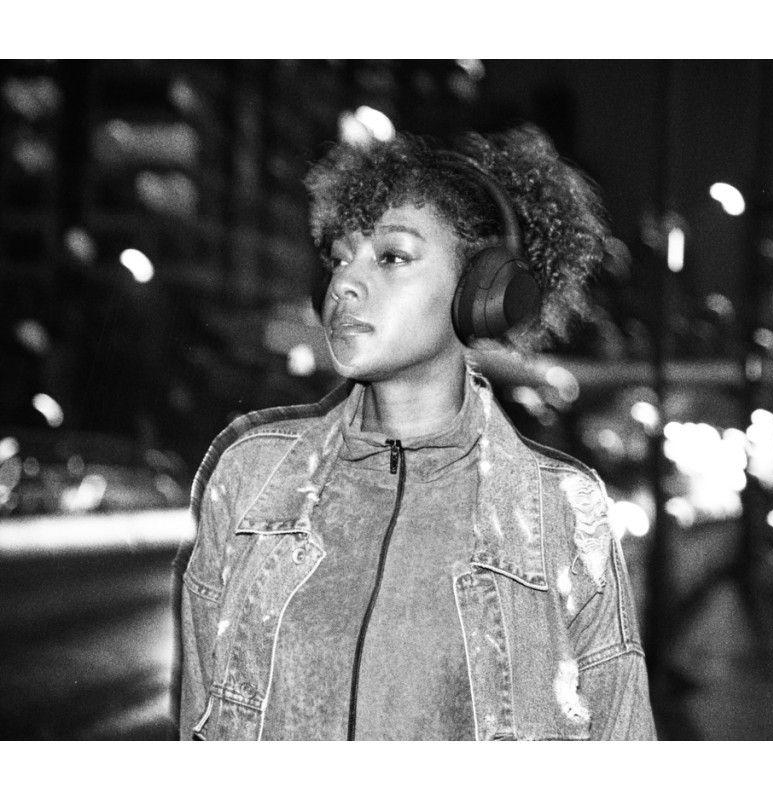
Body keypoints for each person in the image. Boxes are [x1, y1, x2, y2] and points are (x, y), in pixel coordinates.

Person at [175, 124, 656, 740]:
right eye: (339, 259)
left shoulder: (563, 514)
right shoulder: (249, 480)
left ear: (482, 291)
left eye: (392, 257)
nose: (343, 284)